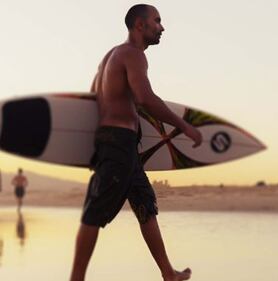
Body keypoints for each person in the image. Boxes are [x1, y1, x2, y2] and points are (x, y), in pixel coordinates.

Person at [69, 4, 202, 281]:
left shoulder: (109, 57)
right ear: (140, 25)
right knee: (95, 211)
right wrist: (184, 125)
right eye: (157, 21)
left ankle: (168, 273)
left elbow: (96, 97)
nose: (162, 27)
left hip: (121, 145)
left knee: (145, 206)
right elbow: (145, 98)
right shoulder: (134, 55)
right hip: (118, 145)